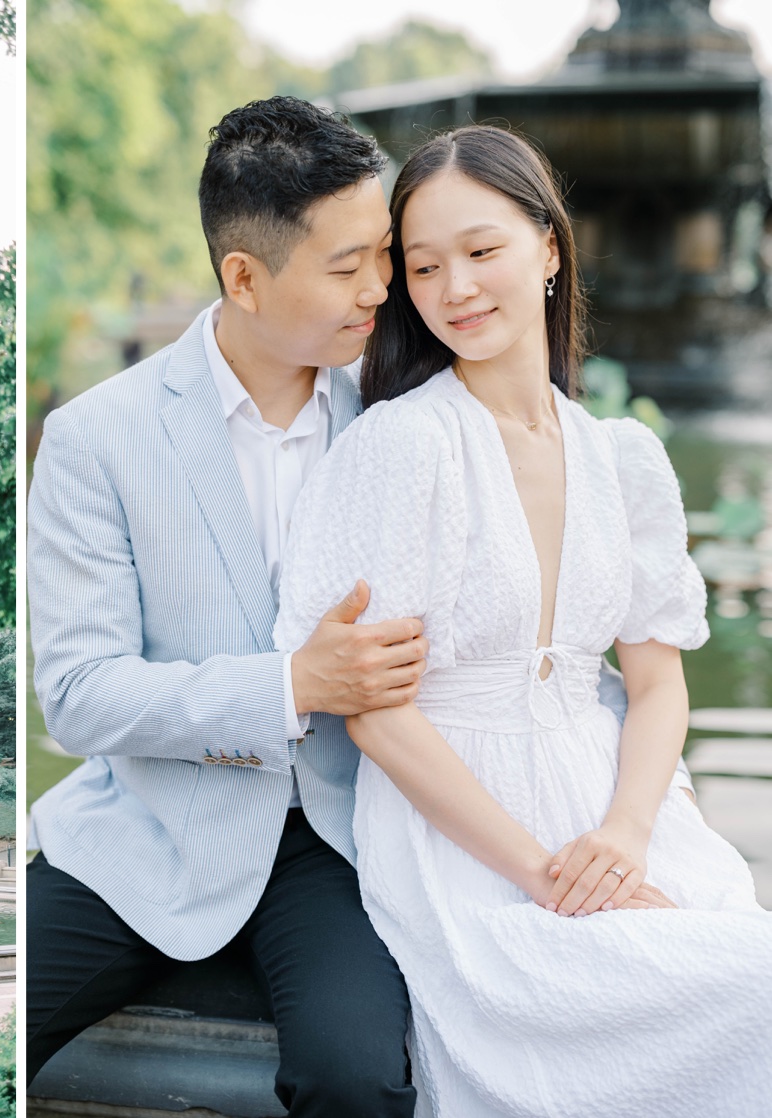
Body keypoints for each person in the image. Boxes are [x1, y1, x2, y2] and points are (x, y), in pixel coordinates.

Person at [272, 124, 772, 1116]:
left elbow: (658, 682)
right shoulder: (402, 449)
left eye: (481, 250)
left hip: (616, 808)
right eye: (423, 265)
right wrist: (547, 876)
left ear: (549, 247)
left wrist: (623, 835)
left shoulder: (621, 456)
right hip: (467, 837)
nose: (454, 285)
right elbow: (377, 713)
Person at [28, 96, 432, 1115]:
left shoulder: (405, 416)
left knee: (357, 1078)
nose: (382, 288)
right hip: (147, 830)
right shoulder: (95, 439)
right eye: (348, 268)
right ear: (243, 277)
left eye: (382, 254)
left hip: (338, 840)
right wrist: (289, 684)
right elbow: (77, 695)